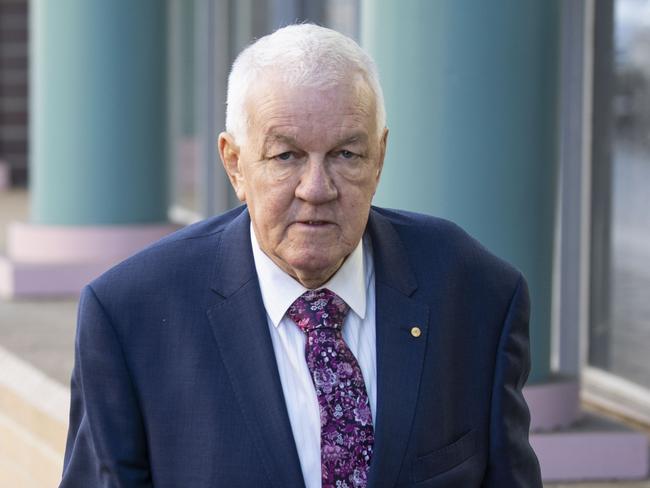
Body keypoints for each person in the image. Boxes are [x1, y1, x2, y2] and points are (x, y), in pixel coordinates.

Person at [60, 24, 542, 488]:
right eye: (286, 156)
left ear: (380, 158)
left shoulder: (476, 294)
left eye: (346, 155)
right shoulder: (131, 316)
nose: (317, 189)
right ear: (235, 165)